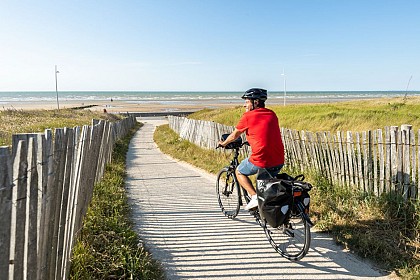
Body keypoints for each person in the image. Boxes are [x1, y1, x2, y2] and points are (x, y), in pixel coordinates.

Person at [218, 88, 285, 210]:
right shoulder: (272, 114)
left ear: (256, 102)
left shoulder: (248, 116)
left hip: (261, 160)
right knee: (267, 183)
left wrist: (223, 143)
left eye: (247, 101)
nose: (245, 104)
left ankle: (254, 197)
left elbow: (234, 135)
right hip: (279, 160)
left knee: (239, 171)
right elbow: (264, 132)